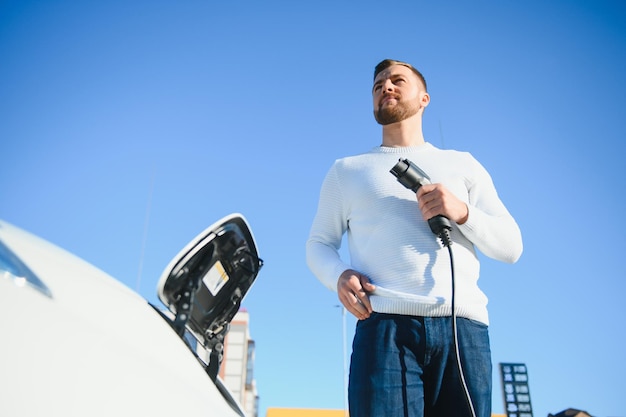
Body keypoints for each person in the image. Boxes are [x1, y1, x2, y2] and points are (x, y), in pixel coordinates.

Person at [305, 59, 523, 417]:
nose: (385, 87)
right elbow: (318, 244)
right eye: (377, 85)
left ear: (424, 98)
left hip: (462, 330)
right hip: (384, 328)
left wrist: (463, 212)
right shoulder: (346, 170)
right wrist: (338, 276)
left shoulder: (463, 164)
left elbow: (512, 246)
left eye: (397, 80)